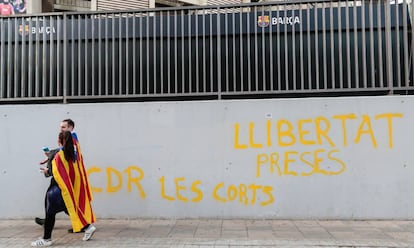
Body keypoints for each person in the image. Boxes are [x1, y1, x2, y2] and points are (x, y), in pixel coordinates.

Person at [31, 131, 96, 246]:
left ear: (59, 141)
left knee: (50, 213)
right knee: (68, 208)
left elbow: (57, 173)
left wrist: (47, 171)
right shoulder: (73, 153)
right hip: (67, 188)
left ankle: (46, 239)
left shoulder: (59, 155)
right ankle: (88, 227)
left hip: (58, 189)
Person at [35, 119, 83, 233]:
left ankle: (84, 225)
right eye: (60, 127)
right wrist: (50, 156)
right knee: (60, 203)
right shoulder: (71, 140)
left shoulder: (72, 139)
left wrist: (49, 167)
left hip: (62, 180)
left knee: (60, 203)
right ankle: (83, 224)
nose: (61, 129)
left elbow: (64, 157)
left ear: (71, 128)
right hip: (63, 179)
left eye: (63, 127)